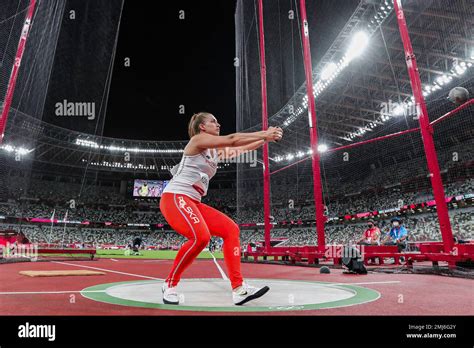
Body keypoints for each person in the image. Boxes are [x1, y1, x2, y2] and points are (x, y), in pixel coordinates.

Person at [160, 112, 282, 305]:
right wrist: (264, 133)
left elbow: (241, 149)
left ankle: (238, 289)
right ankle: (169, 284)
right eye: (213, 122)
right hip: (175, 197)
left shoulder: (214, 152)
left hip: (194, 202)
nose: (218, 124)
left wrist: (265, 140)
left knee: (231, 229)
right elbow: (233, 139)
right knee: (201, 238)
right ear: (202, 127)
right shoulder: (197, 140)